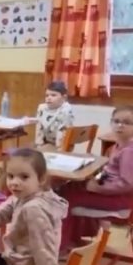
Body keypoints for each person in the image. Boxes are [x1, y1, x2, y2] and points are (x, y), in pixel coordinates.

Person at [57, 105, 133, 254]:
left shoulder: (129, 152)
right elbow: (111, 173)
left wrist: (98, 188)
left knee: (64, 200)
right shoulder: (118, 146)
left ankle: (61, 246)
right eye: (116, 121)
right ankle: (74, 237)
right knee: (70, 187)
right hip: (112, 193)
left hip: (121, 199)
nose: (120, 125)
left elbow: (126, 184)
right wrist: (96, 179)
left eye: (127, 122)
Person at [34, 81, 74, 150]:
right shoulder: (42, 108)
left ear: (64, 98)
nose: (49, 98)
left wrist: (59, 149)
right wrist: (39, 144)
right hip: (47, 142)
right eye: (47, 95)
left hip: (63, 144)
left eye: (53, 95)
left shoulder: (66, 110)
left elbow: (63, 131)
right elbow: (39, 127)